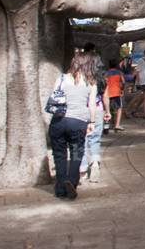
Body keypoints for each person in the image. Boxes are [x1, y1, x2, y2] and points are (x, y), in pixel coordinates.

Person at [48, 52, 98, 200]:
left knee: (59, 155)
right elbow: (92, 106)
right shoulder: (91, 82)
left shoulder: (62, 78)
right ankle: (72, 181)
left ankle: (60, 188)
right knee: (76, 153)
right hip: (79, 122)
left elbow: (54, 96)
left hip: (59, 120)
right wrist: (92, 122)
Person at [79, 52, 108, 183]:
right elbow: (105, 96)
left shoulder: (82, 77)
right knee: (95, 140)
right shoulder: (102, 79)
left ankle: (83, 170)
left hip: (84, 111)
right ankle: (95, 163)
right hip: (99, 110)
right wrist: (108, 111)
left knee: (83, 140)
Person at [128, 48, 145, 118]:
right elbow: (137, 71)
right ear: (144, 53)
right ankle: (127, 110)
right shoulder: (141, 60)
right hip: (141, 82)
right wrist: (138, 81)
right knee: (136, 97)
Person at [104, 59, 125, 131]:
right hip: (116, 92)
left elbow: (105, 82)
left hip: (108, 93)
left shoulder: (106, 73)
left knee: (107, 109)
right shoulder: (119, 73)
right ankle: (117, 125)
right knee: (119, 108)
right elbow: (123, 82)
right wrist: (122, 89)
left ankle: (106, 124)